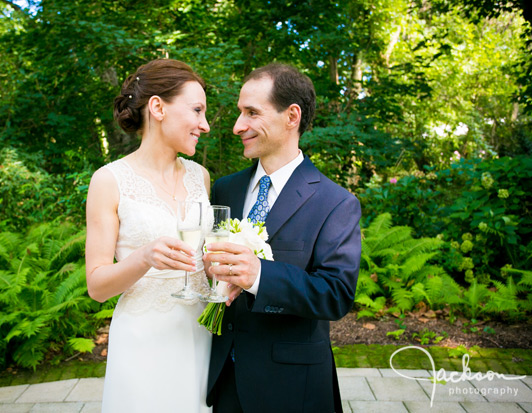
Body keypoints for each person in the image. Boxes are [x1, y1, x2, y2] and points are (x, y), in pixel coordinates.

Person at [203, 63, 362, 412]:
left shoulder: (336, 203)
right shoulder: (225, 189)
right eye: (239, 112)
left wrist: (258, 275)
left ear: (292, 116)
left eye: (252, 113)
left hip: (294, 389)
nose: (237, 126)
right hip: (226, 382)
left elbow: (336, 295)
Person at [85, 59, 213, 412]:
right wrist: (143, 257)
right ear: (157, 107)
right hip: (144, 343)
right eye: (197, 110)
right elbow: (96, 286)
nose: (204, 124)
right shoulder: (108, 181)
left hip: (201, 333)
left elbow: (204, 258)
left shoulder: (199, 176)